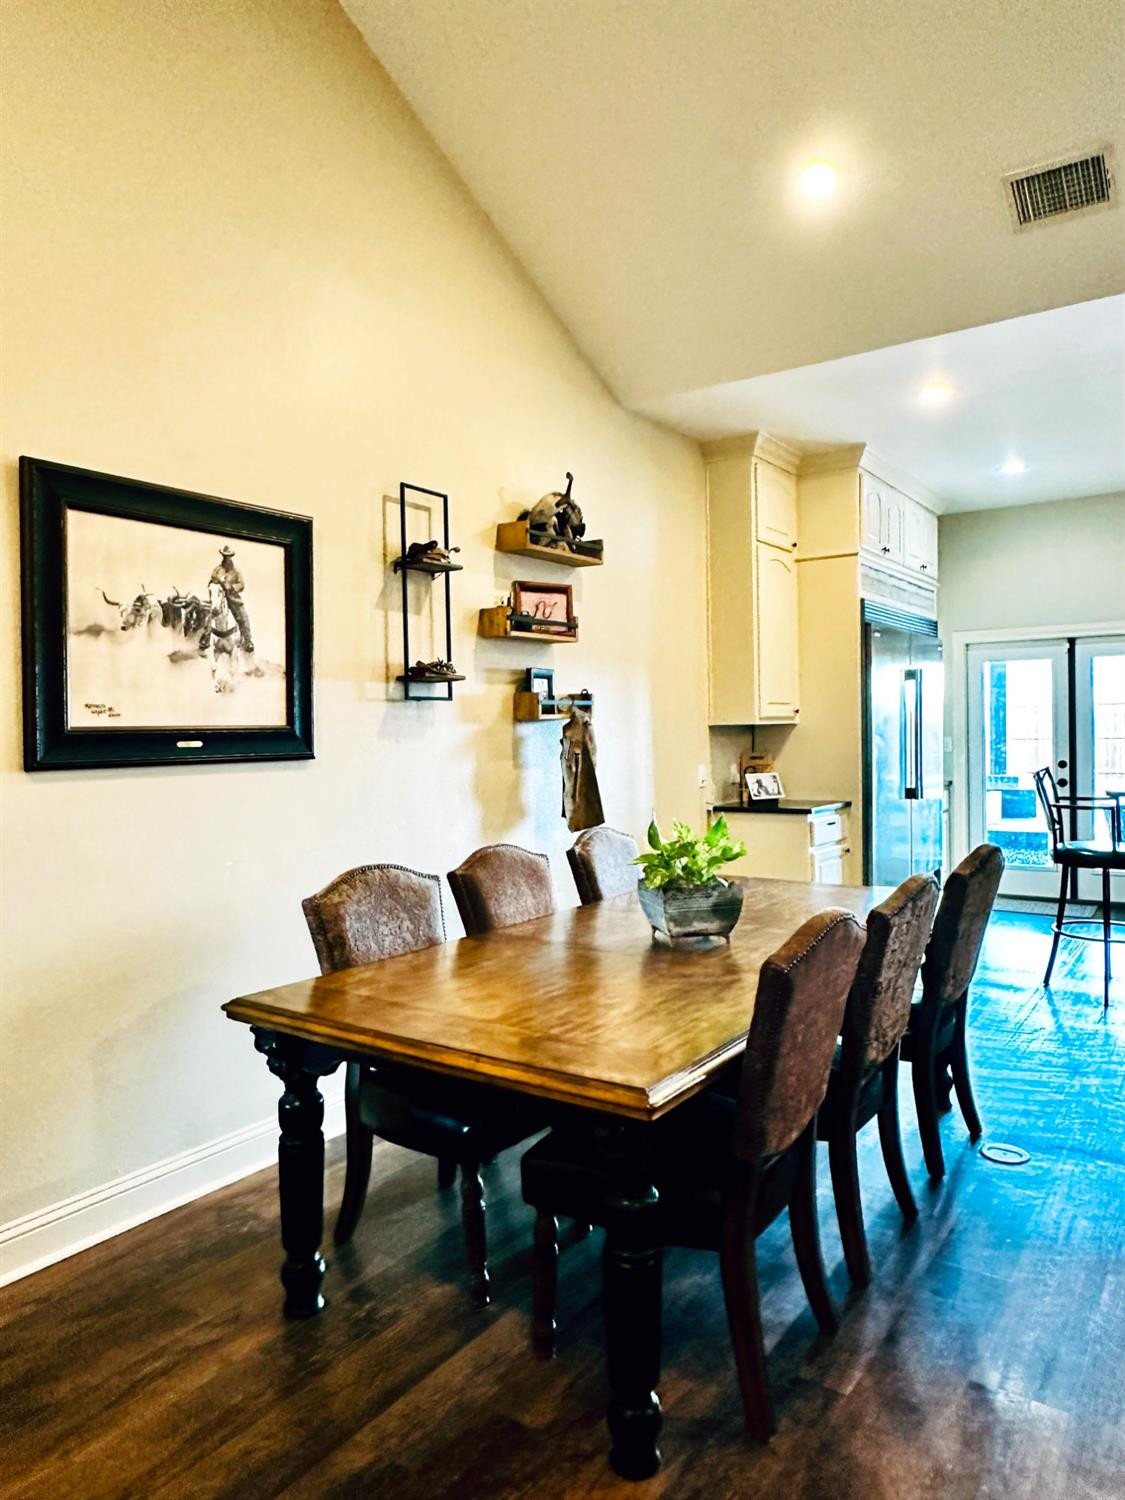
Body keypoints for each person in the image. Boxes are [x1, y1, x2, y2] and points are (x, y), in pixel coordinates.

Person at [199, 545, 253, 654]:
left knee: (243, 617)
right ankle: (205, 638)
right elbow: (212, 582)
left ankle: (247, 641)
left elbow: (242, 585)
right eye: (224, 555)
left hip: (233, 599)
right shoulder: (217, 570)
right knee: (209, 616)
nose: (226, 558)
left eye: (228, 556)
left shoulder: (236, 571)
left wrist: (231, 587)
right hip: (219, 597)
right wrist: (217, 584)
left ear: (231, 556)